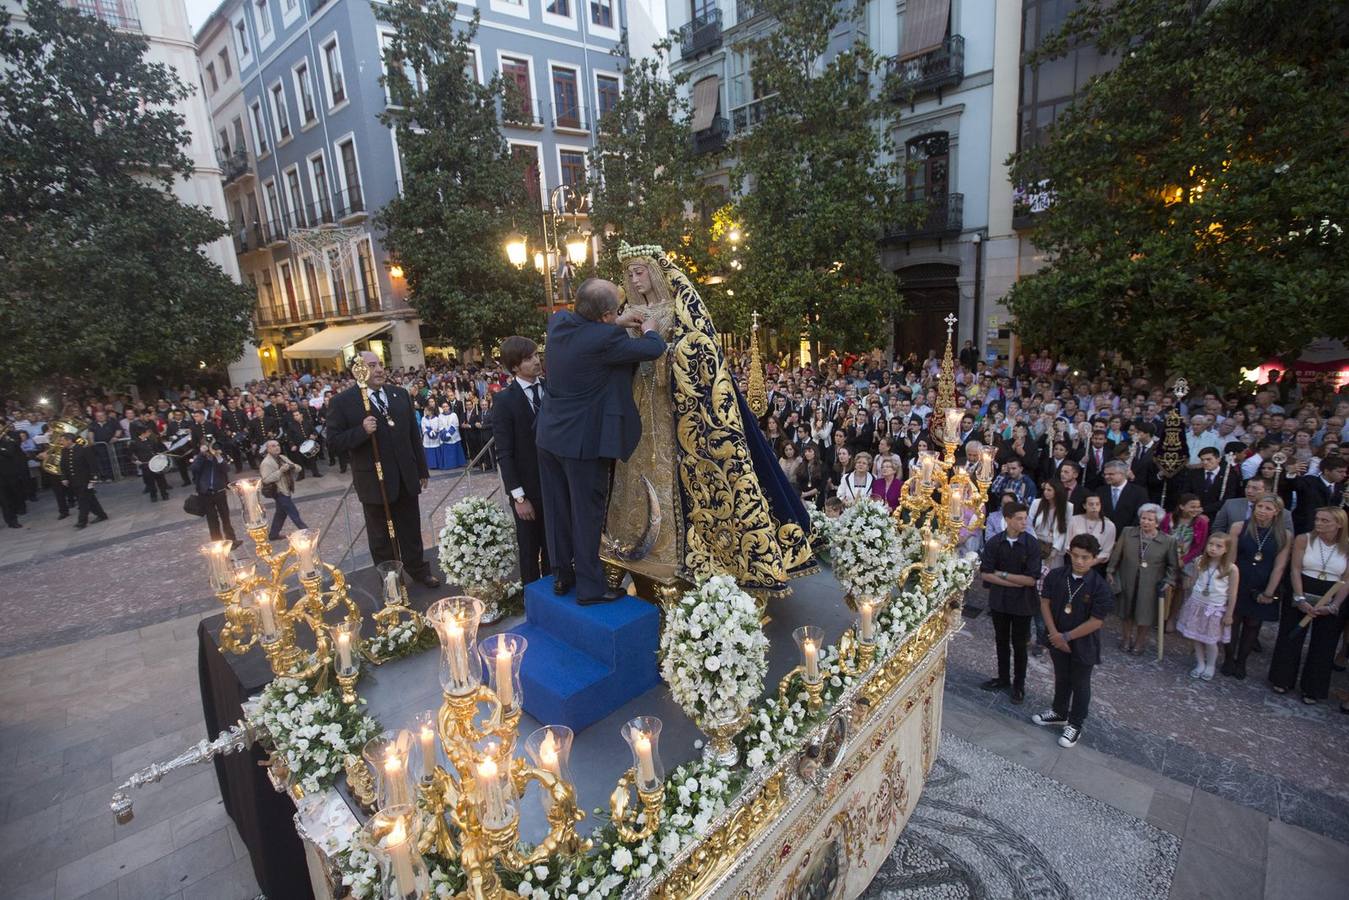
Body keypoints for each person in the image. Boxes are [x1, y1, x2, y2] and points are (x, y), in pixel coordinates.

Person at [535, 277, 665, 604]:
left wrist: (615, 321)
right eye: (616, 310)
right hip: (582, 444)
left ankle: (562, 577)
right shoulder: (606, 338)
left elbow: (588, 329)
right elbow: (654, 348)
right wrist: (649, 327)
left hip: (549, 436)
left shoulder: (559, 323)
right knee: (586, 515)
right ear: (606, 315)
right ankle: (591, 590)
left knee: (557, 511)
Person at [326, 352, 441, 589]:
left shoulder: (399, 395)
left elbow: (413, 435)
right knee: (381, 537)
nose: (379, 369)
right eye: (371, 365)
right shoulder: (343, 402)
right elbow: (334, 442)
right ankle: (391, 580)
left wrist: (421, 469)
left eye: (380, 364)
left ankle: (418, 570)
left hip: (405, 477)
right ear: (357, 371)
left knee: (410, 530)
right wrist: (361, 431)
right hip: (374, 483)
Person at [1031, 533, 1114, 748]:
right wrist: (1054, 634)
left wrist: (1065, 637)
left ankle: (1075, 724)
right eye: (1075, 556)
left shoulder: (1099, 586)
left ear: (1094, 558)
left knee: (1080, 682)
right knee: (1061, 676)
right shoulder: (1056, 575)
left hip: (1083, 642)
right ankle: (1059, 711)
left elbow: (1096, 622)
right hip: (1056, 635)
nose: (1079, 561)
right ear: (1069, 553)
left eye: (1085, 557)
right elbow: (1045, 603)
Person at [1268, 508, 1347, 703]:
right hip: (1303, 587)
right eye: (1318, 519)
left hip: (1332, 593)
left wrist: (1334, 605)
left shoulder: (1346, 546)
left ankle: (1313, 688)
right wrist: (1299, 597)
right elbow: (1295, 569)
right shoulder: (1304, 539)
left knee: (1324, 644)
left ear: (1339, 524)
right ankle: (1282, 678)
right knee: (1290, 636)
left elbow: (1347, 579)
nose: (1319, 523)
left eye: (1325, 521)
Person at [492, 335, 550, 587]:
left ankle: (554, 595)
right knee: (529, 550)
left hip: (555, 486)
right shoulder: (504, 400)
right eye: (528, 358)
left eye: (537, 355)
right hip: (527, 490)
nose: (536, 361)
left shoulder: (551, 388)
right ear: (515, 366)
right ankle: (532, 600)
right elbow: (505, 453)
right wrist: (519, 498)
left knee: (555, 547)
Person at [1222, 496, 1291, 678]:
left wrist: (1269, 591)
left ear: (1276, 512)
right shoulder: (1239, 527)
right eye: (1259, 506)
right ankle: (1228, 658)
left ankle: (1242, 661)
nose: (1262, 510)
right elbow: (1231, 558)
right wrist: (1228, 583)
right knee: (1233, 620)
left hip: (1263, 582)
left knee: (1253, 624)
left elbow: (1280, 566)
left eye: (1268, 508)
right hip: (1240, 579)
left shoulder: (1284, 534)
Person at [979, 502, 1040, 704]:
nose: (1024, 522)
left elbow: (1031, 579)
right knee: (1001, 641)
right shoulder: (995, 543)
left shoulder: (1031, 544)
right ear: (1008, 519)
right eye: (1019, 518)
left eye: (1025, 518)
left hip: (1022, 604)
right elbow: (986, 574)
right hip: (1000, 601)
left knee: (1020, 645)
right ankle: (1003, 677)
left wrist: (1003, 575)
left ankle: (1019, 684)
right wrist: (1015, 581)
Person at [1107, 503, 1179, 656]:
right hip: (1128, 578)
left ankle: (1140, 642)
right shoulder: (1128, 532)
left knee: (1144, 614)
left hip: (1151, 583)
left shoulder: (1168, 541)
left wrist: (1169, 581)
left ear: (1157, 522)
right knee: (1126, 610)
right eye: (1143, 518)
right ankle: (1126, 638)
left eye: (1150, 520)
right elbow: (1116, 554)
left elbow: (1173, 565)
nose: (1145, 522)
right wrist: (1110, 570)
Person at [1175, 533, 1239, 680]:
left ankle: (1210, 665)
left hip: (1214, 608)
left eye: (1219, 546)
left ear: (1226, 550)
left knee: (1211, 640)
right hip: (1198, 605)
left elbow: (1233, 594)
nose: (1213, 549)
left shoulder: (1231, 569)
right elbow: (1196, 582)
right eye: (1211, 544)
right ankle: (1200, 663)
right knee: (1196, 636)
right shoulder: (1200, 562)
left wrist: (1229, 614)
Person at [1161, 493, 1210, 631]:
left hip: (1187, 559)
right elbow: (1162, 538)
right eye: (1192, 506)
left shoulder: (1201, 522)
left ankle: (1171, 618)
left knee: (1182, 587)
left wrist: (1184, 560)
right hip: (1166, 556)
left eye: (1198, 507)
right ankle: (1160, 615)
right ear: (1182, 506)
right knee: (1163, 584)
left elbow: (1199, 546)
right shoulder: (1168, 518)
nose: (1195, 510)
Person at [259, 439, 308, 541]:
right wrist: (280, 471)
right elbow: (266, 479)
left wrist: (292, 467)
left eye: (278, 445)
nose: (277, 447)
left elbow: (298, 468)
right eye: (273, 446)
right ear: (268, 449)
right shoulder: (266, 463)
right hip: (279, 491)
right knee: (293, 512)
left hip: (286, 489)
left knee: (280, 513)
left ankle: (273, 535)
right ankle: (306, 531)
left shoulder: (282, 457)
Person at [190, 438, 236, 545]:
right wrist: (202, 455)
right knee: (212, 519)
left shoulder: (217, 458)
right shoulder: (200, 459)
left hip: (219, 491)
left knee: (226, 518)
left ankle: (232, 540)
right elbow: (194, 468)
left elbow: (226, 469)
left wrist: (218, 455)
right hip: (205, 493)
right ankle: (217, 542)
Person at [1212, 476, 1292, 534]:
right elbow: (1218, 528)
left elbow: (1286, 537)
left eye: (1255, 488)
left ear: (1267, 491)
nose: (1249, 491)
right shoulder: (1230, 504)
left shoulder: (1284, 514)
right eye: (1247, 487)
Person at [1290, 456, 1345, 533]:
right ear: (1326, 471)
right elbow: (1293, 485)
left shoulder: (1341, 487)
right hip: (1306, 528)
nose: (1344, 475)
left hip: (1330, 530)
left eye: (1344, 472)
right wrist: (1291, 473)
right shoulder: (1309, 481)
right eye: (1340, 472)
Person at [1067, 493, 1117, 572]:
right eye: (1091, 504)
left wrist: (1089, 563)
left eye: (1097, 504)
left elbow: (1106, 551)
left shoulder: (1109, 525)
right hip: (1074, 562)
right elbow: (1067, 543)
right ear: (1084, 506)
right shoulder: (1074, 520)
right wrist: (1077, 560)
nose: (1094, 507)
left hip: (1096, 565)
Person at [1097, 459, 1146, 534]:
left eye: (1111, 474)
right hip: (1103, 533)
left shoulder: (1139, 492)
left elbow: (1139, 516)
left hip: (1128, 535)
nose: (1106, 477)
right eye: (1105, 474)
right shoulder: (1100, 491)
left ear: (1122, 474)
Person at [129, 429, 171, 503]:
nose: (149, 433)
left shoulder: (151, 440)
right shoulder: (134, 443)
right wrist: (135, 461)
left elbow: (158, 449)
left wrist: (161, 454)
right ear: (142, 433)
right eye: (147, 432)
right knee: (150, 481)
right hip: (146, 465)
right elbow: (129, 454)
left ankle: (164, 494)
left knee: (160, 480)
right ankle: (153, 496)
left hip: (156, 463)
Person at [795, 443, 829, 510]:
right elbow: (798, 483)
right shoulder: (801, 466)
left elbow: (821, 486)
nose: (807, 453)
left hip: (817, 498)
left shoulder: (823, 467)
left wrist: (806, 494)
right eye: (805, 452)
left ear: (815, 452)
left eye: (809, 451)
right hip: (802, 498)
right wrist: (801, 497)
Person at [421, 403, 446, 470]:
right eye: (425, 411)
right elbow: (423, 427)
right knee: (429, 451)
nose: (425, 412)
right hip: (427, 437)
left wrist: (434, 431)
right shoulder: (423, 418)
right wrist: (429, 431)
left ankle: (437, 464)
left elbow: (438, 427)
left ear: (431, 411)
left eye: (426, 411)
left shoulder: (436, 419)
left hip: (435, 436)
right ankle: (430, 465)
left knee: (436, 450)